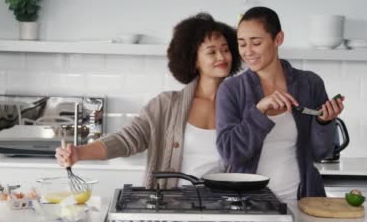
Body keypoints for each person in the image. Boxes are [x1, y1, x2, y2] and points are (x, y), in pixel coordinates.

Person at [56, 13, 241, 189]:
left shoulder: (241, 105)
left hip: (225, 207)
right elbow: (126, 140)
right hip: (175, 206)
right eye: (212, 52)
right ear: (194, 60)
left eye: (225, 50)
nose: (221, 57)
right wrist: (79, 153)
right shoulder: (166, 105)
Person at [215, 6, 345, 200]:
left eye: (256, 43)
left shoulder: (309, 83)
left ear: (278, 39)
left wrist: (324, 123)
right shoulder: (231, 89)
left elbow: (320, 153)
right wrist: (259, 111)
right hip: (248, 205)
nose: (248, 51)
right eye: (242, 44)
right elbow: (230, 154)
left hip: (303, 201)